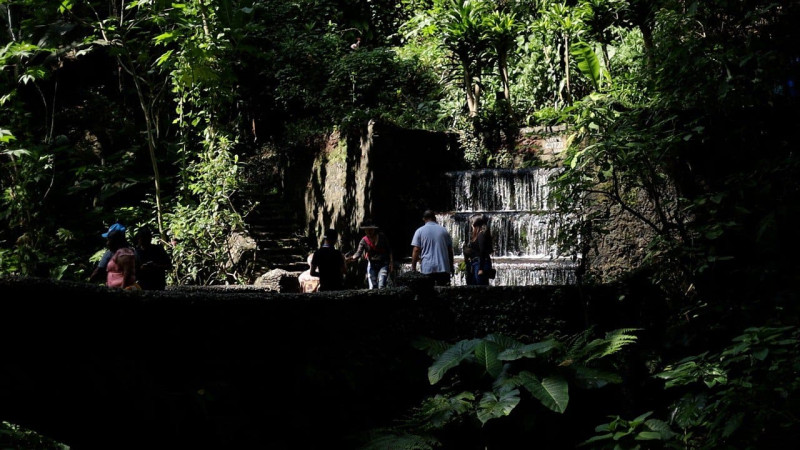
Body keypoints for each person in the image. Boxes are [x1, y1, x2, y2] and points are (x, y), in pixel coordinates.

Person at [410, 209, 454, 286]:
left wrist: (413, 268)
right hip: (443, 268)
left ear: (423, 219)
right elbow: (450, 250)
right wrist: (451, 266)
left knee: (428, 294)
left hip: (427, 268)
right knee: (444, 294)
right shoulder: (444, 230)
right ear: (435, 218)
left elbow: (416, 250)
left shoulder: (419, 231)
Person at [347, 220, 394, 289]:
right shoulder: (364, 240)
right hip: (372, 264)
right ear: (365, 230)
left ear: (374, 229)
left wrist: (391, 263)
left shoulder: (382, 237)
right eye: (367, 230)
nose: (369, 232)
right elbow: (358, 253)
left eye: (370, 230)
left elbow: (389, 250)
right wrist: (351, 258)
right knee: (373, 285)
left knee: (381, 284)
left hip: (383, 263)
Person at [134, 226, 172, 290]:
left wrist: (156, 266)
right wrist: (141, 268)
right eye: (142, 238)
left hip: (157, 284)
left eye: (146, 238)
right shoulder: (136, 252)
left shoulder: (158, 249)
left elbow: (169, 265)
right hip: (142, 284)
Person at [465, 213, 493, 286]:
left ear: (475, 225)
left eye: (472, 223)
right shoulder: (479, 235)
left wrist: (481, 268)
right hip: (476, 263)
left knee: (480, 286)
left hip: (480, 263)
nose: (471, 226)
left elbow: (482, 251)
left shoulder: (481, 235)